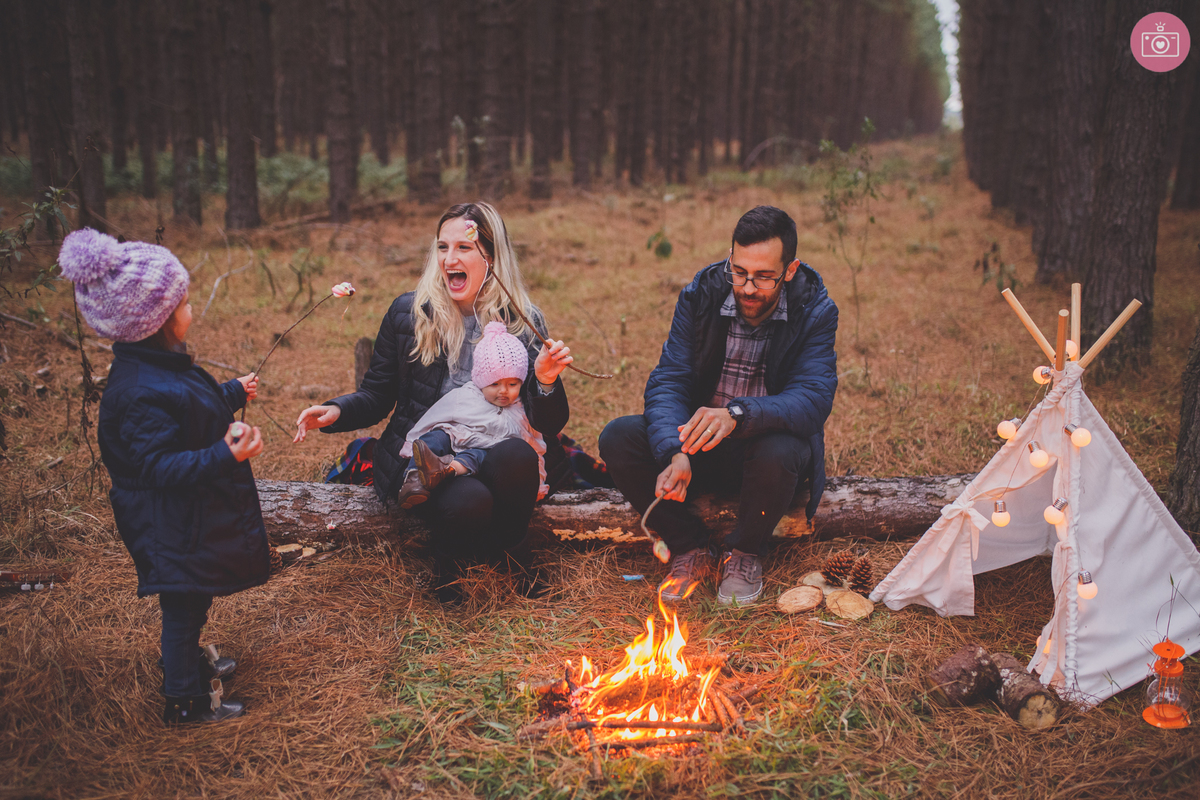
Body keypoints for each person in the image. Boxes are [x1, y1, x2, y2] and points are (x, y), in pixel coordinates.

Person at [294, 202, 573, 601]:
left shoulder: (521, 320)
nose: (450, 259)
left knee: (518, 457)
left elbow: (548, 423)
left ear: (490, 257)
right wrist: (337, 411)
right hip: (432, 456)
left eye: (463, 247)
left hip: (498, 447)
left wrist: (545, 380)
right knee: (471, 500)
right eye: (442, 247)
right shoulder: (409, 313)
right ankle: (447, 569)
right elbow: (377, 394)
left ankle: (512, 550)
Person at [59, 228, 269, 724]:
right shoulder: (136, 392)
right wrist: (224, 455)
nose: (190, 310)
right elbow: (157, 466)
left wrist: (229, 391)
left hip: (182, 517)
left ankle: (186, 656)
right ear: (156, 321)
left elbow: (185, 407)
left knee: (194, 596)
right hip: (165, 521)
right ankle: (185, 698)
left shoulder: (159, 367)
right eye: (184, 303)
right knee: (182, 601)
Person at [599, 205, 838, 606]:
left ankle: (745, 553)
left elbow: (813, 399)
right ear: (730, 258)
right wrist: (674, 451)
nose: (747, 287)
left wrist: (737, 416)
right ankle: (689, 548)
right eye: (739, 271)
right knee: (619, 437)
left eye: (764, 276)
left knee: (783, 448)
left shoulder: (814, 310)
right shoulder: (702, 296)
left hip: (761, 455)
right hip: (698, 449)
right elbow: (669, 378)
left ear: (790, 270)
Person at [398, 321, 551, 508]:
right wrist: (410, 444)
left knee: (476, 456)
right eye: (494, 384)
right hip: (455, 440)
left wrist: (538, 483)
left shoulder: (522, 411)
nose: (503, 391)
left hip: (483, 459)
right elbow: (431, 419)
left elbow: (535, 447)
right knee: (436, 437)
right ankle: (415, 480)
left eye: (513, 384)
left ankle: (443, 472)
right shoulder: (464, 396)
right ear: (480, 380)